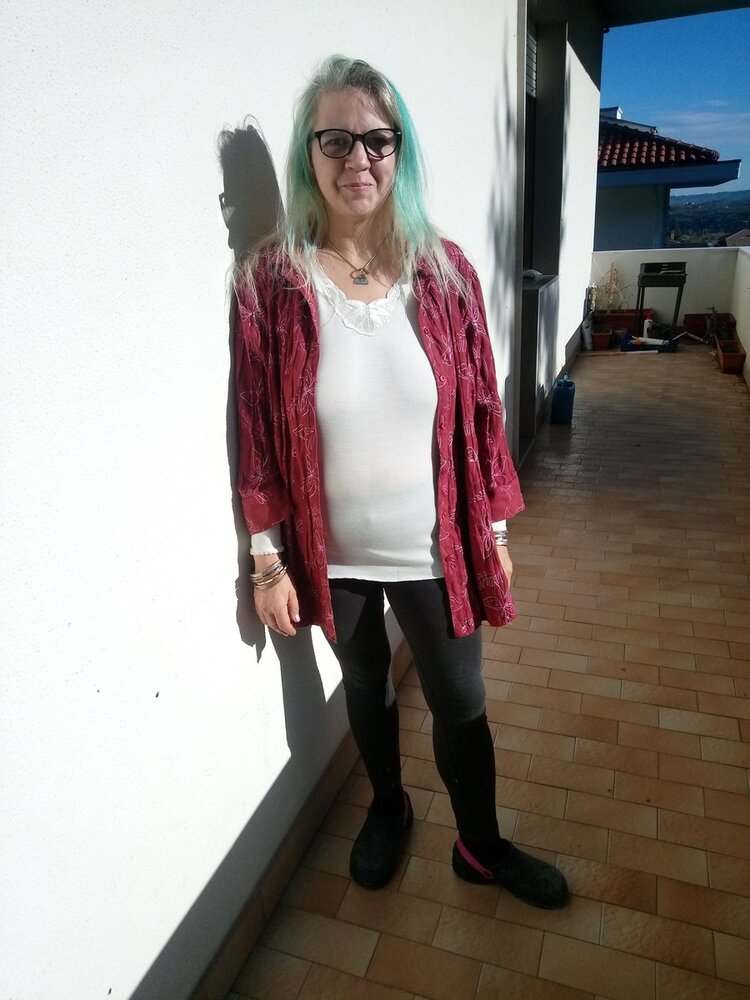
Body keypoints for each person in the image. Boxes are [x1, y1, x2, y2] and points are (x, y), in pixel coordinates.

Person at [234, 55, 569, 910]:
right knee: (367, 686)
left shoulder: (443, 271)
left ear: (400, 151)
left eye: (377, 140)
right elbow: (255, 430)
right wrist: (267, 560)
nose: (359, 159)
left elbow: (482, 410)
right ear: (309, 154)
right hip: (331, 550)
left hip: (435, 544)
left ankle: (481, 845)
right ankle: (388, 805)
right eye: (336, 140)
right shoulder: (271, 282)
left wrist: (493, 530)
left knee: (461, 698)